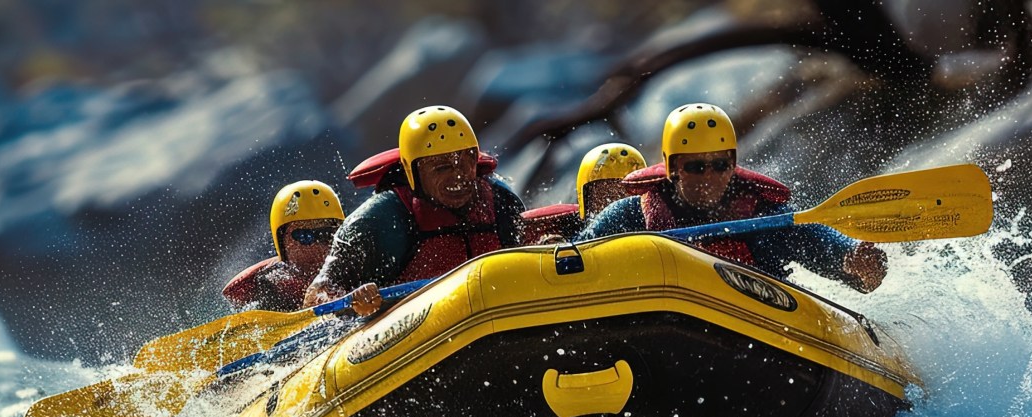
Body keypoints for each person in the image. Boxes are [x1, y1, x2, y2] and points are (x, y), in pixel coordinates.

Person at [578, 103, 887, 292]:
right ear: (673, 168)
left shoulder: (763, 216)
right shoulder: (629, 215)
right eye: (696, 167)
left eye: (720, 165)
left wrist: (854, 260)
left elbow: (820, 242)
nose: (710, 177)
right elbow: (577, 255)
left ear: (733, 165)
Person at [304, 105, 526, 317]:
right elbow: (318, 294)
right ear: (413, 171)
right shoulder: (379, 219)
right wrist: (352, 302)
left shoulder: (499, 200)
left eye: (466, 163)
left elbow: (524, 252)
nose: (459, 176)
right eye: (442, 168)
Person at [222, 181, 345, 312]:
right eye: (304, 236)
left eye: (326, 235)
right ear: (282, 242)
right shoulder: (270, 282)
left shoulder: (354, 263)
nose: (316, 247)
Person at [520, 143, 645, 244]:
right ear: (586, 201)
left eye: (622, 194)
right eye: (603, 195)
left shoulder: (654, 226)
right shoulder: (571, 237)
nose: (613, 202)